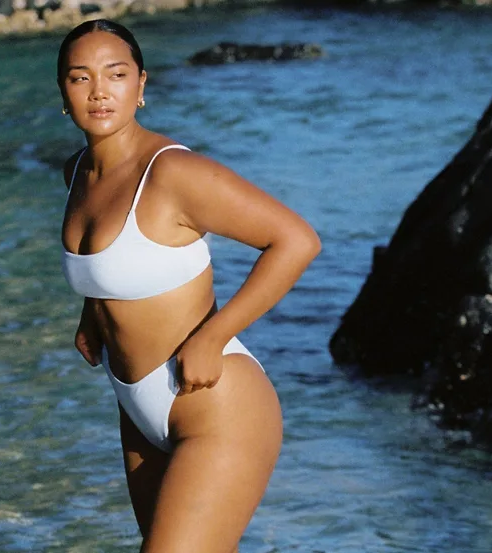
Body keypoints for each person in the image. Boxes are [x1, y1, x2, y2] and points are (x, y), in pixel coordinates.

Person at [57, 19, 320, 553]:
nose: (100, 91)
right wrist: (93, 312)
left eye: (116, 74)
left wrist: (213, 335)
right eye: (80, 78)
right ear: (63, 92)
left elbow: (295, 241)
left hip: (215, 406)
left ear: (142, 86)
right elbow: (120, 264)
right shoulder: (77, 171)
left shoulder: (172, 172)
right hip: (135, 408)